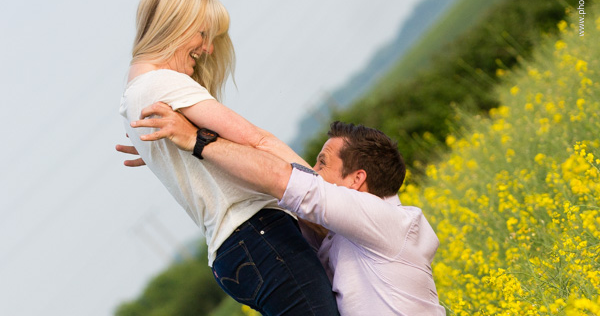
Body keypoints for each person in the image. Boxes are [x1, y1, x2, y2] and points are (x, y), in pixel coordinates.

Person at [119, 0, 339, 315]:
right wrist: (331, 203)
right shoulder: (163, 83)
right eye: (203, 34)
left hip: (232, 255)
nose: (207, 49)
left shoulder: (132, 98)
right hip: (259, 235)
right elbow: (257, 140)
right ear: (177, 24)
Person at [120, 102, 446, 315]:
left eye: (322, 163)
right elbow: (261, 182)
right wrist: (169, 156)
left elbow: (283, 179)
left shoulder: (387, 222)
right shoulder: (347, 234)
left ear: (357, 179)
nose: (312, 172)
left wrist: (195, 139)